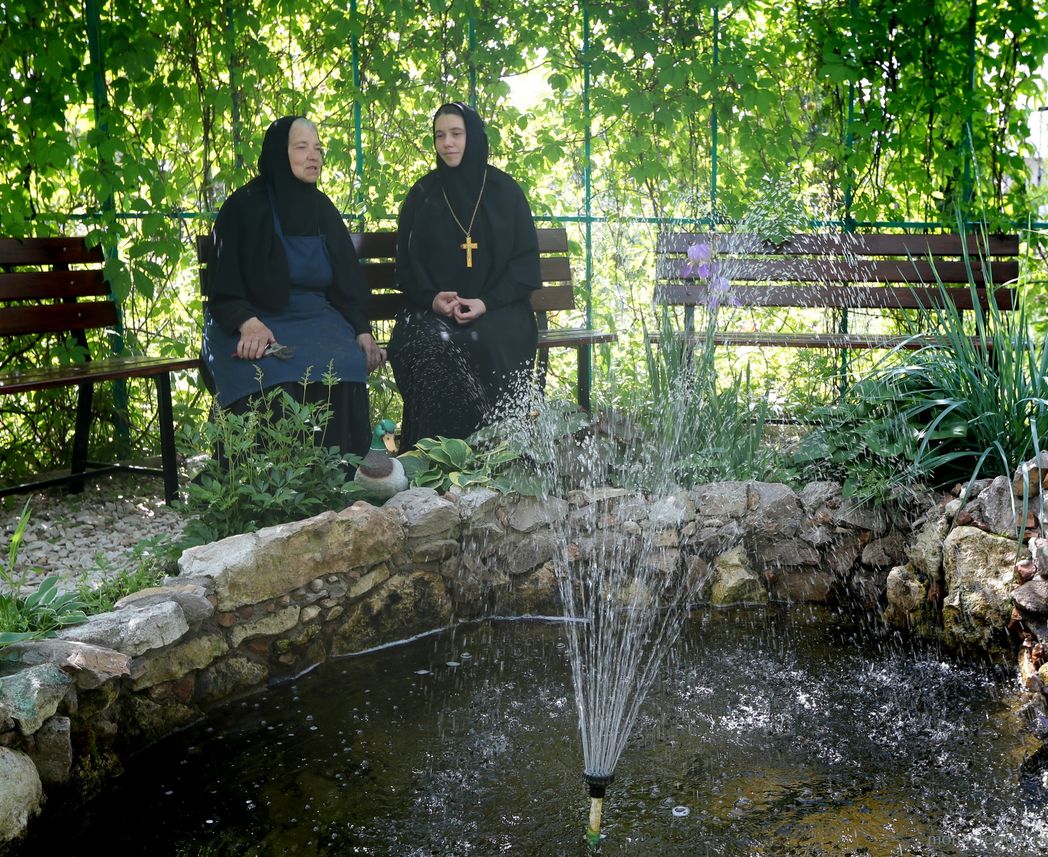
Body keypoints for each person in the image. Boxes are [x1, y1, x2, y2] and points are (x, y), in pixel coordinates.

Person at [201, 115, 385, 459]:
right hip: (250, 319)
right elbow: (223, 286)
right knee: (272, 372)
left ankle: (341, 474)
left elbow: (347, 283)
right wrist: (247, 323)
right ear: (279, 152)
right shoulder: (243, 206)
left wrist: (362, 330)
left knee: (345, 363)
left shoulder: (322, 209)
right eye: (302, 147)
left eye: (318, 149)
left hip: (313, 318)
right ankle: (264, 478)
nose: (313, 156)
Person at [388, 102, 541, 451]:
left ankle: (498, 451)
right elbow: (406, 269)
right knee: (429, 346)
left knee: (487, 341)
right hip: (433, 314)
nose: (447, 143)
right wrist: (432, 300)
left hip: (498, 309)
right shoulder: (423, 195)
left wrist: (485, 303)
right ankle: (433, 455)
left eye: (456, 134)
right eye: (440, 135)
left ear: (472, 136)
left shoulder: (505, 192)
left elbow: (525, 267)